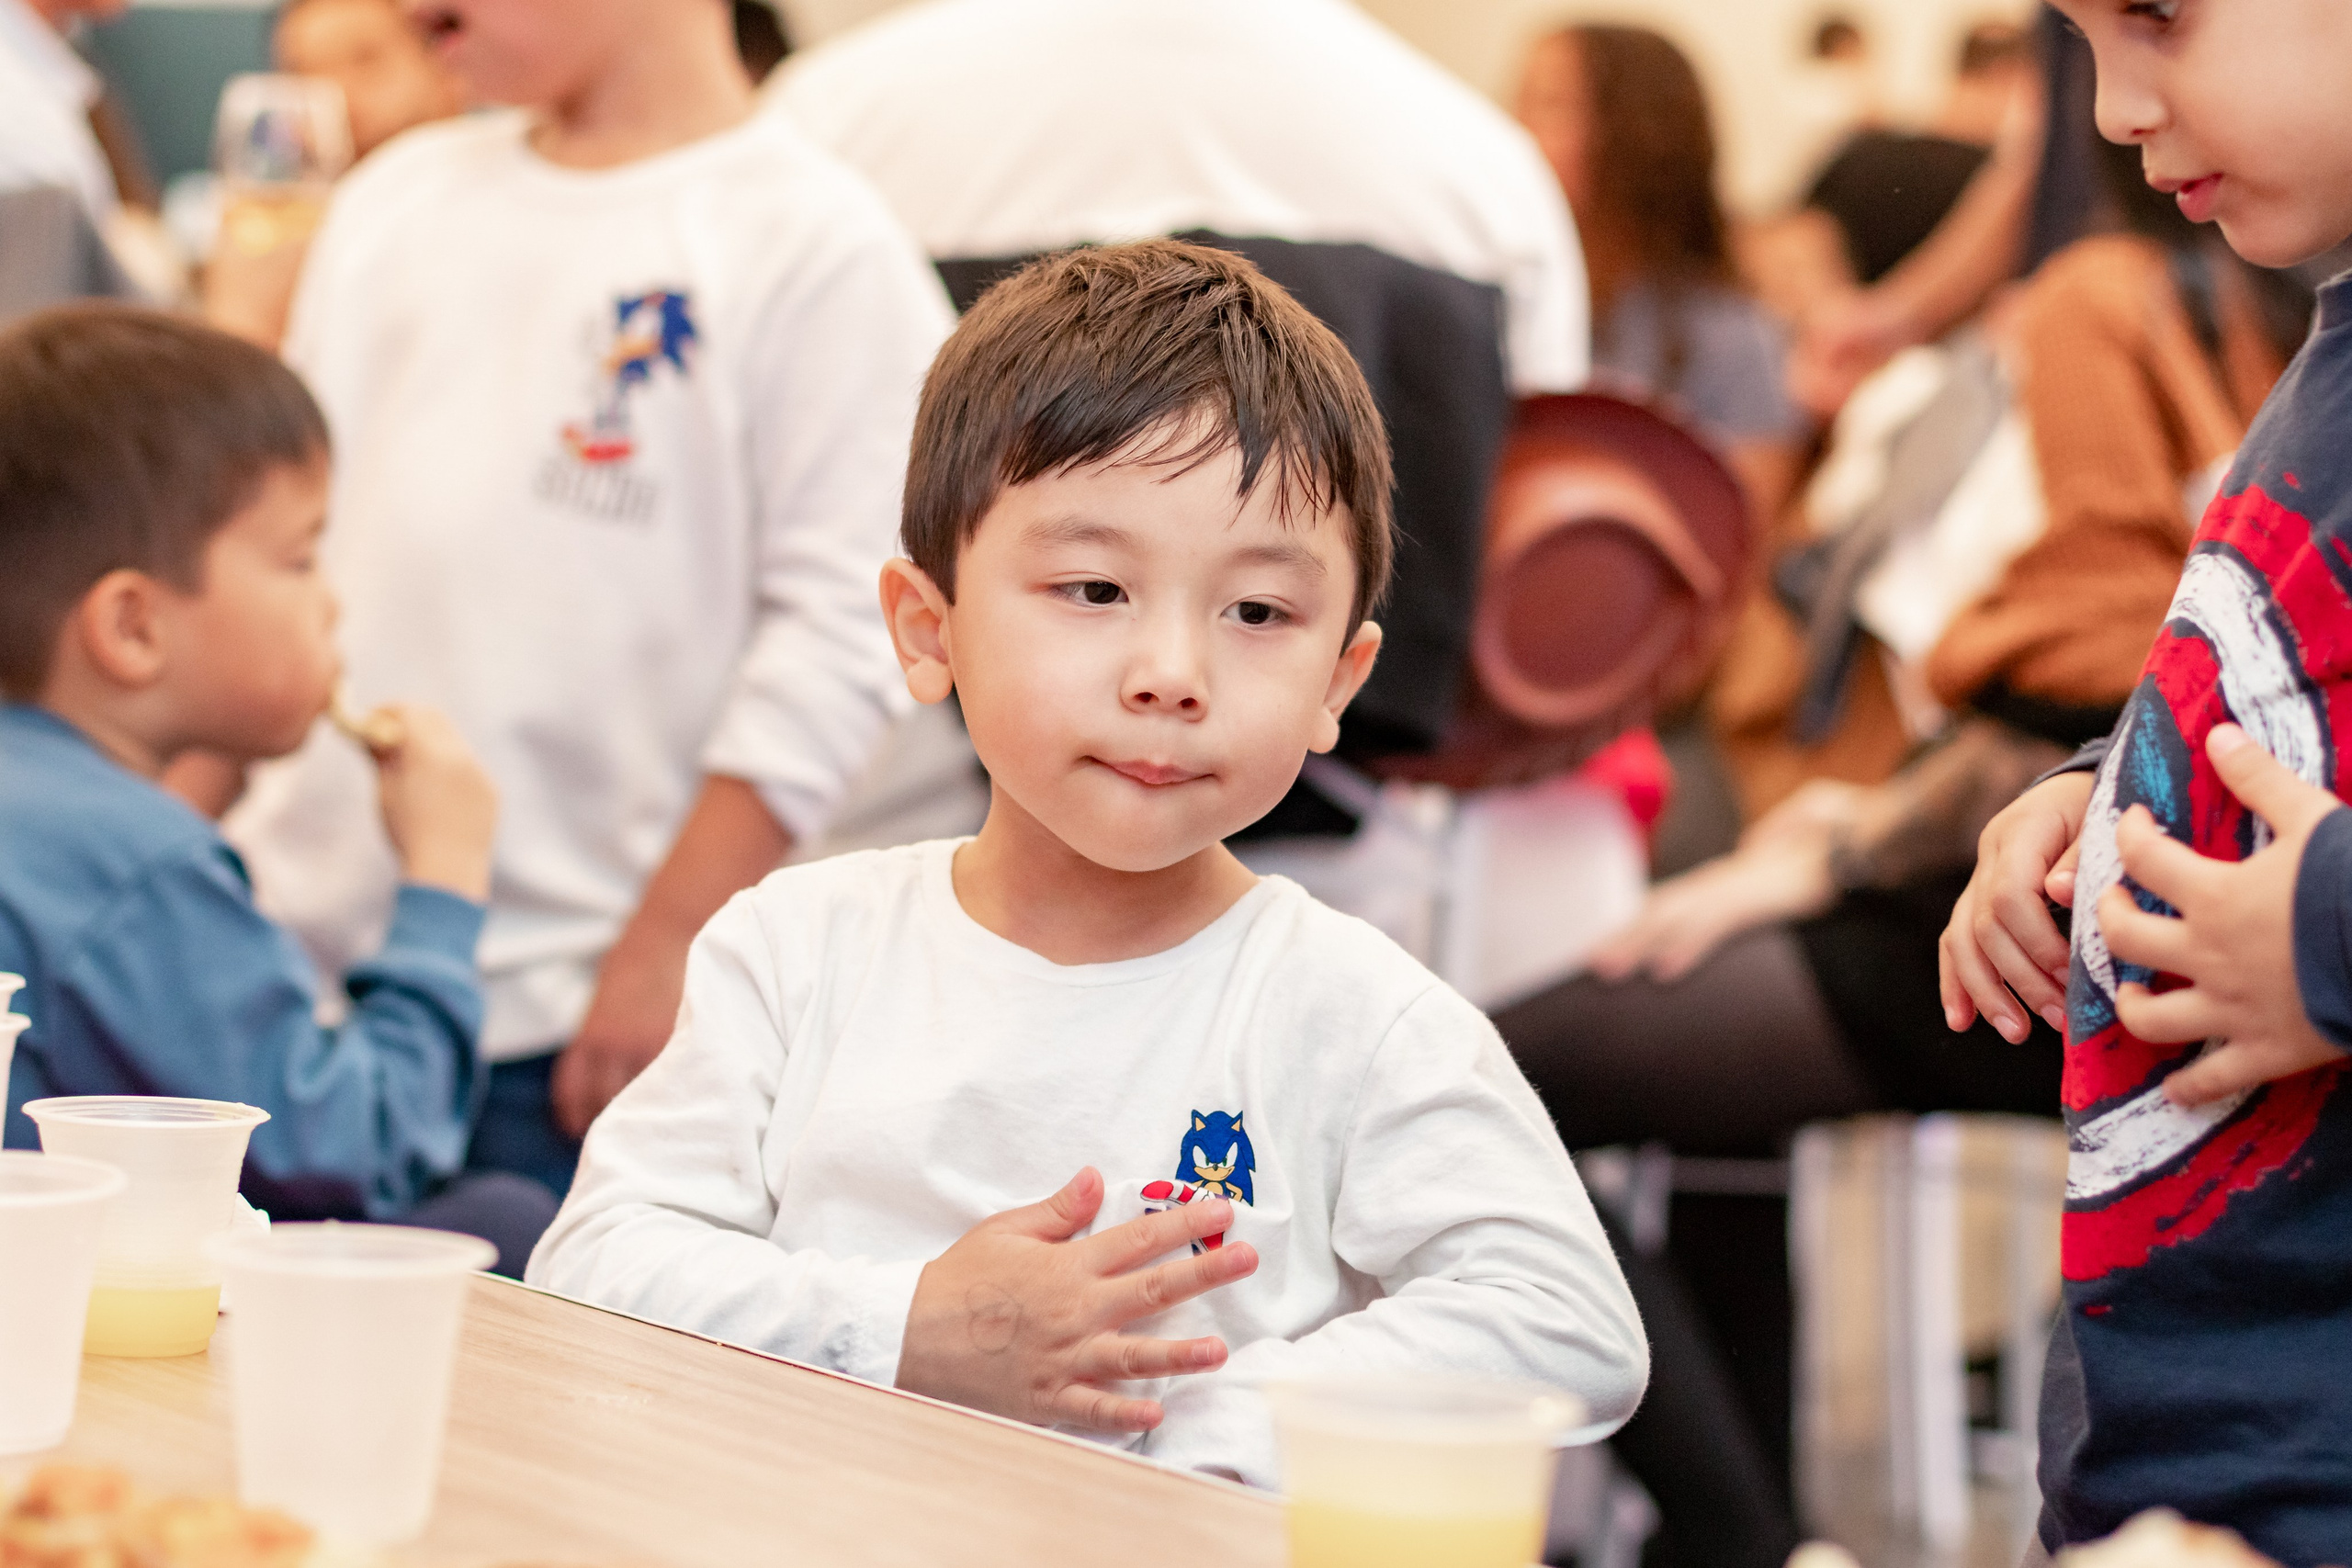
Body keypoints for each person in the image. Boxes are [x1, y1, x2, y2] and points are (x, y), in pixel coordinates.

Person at [526, 240, 1649, 1485]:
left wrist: (1170, 1405)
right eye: (1094, 586)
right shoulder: (797, 948)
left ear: (1341, 679)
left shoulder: (1347, 1008)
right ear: (928, 626)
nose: (1173, 669)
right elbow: (599, 1259)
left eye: (1259, 613)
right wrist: (909, 1332)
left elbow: (1568, 1317)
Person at [1498, 126, 2309, 1568]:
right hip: (2072, 878)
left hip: (2054, 919)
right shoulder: (2283, 324)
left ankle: (1740, 1536)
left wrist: (1852, 841)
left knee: (1505, 1072)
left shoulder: (2107, 297)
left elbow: (2097, 647)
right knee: (1680, 1091)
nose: (2117, 104)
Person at [223, 0, 954, 1198]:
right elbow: (282, 545)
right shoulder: (395, 199)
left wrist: (669, 944)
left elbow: (837, 641)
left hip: (562, 1008)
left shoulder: (816, 247)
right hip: (288, 961)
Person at [1939, 0, 2352, 1559]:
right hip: (2172, 1433)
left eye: (2158, 21)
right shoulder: (2325, 351)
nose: (2114, 108)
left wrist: (2321, 927)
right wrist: (2108, 789)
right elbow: (2287, 679)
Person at [0, 305, 555, 1275]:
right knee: (507, 1219)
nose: (332, 600)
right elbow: (353, 1151)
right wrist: (445, 879)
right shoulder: (137, 864)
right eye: (298, 559)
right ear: (133, 628)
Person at [1515, 22, 1807, 524]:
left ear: (1635, 136)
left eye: (1551, 104)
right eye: (1518, 101)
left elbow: (1729, 553)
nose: (1514, 129)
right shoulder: (1506, 300)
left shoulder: (1734, 342)